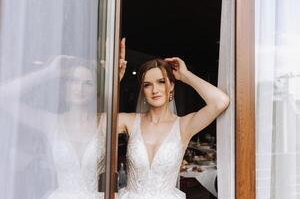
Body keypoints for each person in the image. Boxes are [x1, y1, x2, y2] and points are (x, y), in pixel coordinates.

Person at [0, 43, 127, 198]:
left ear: (96, 89)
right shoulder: (51, 122)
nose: (79, 88)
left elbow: (155, 120)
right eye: (74, 81)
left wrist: (114, 81)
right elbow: (4, 97)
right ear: (66, 85)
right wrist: (48, 72)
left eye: (88, 83)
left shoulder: (105, 122)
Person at [117, 43, 230, 198]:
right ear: (142, 90)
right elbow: (94, 122)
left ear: (171, 85)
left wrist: (186, 75)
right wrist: (113, 80)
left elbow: (220, 102)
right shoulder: (129, 121)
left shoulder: (183, 126)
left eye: (161, 82)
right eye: (147, 85)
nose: (155, 90)